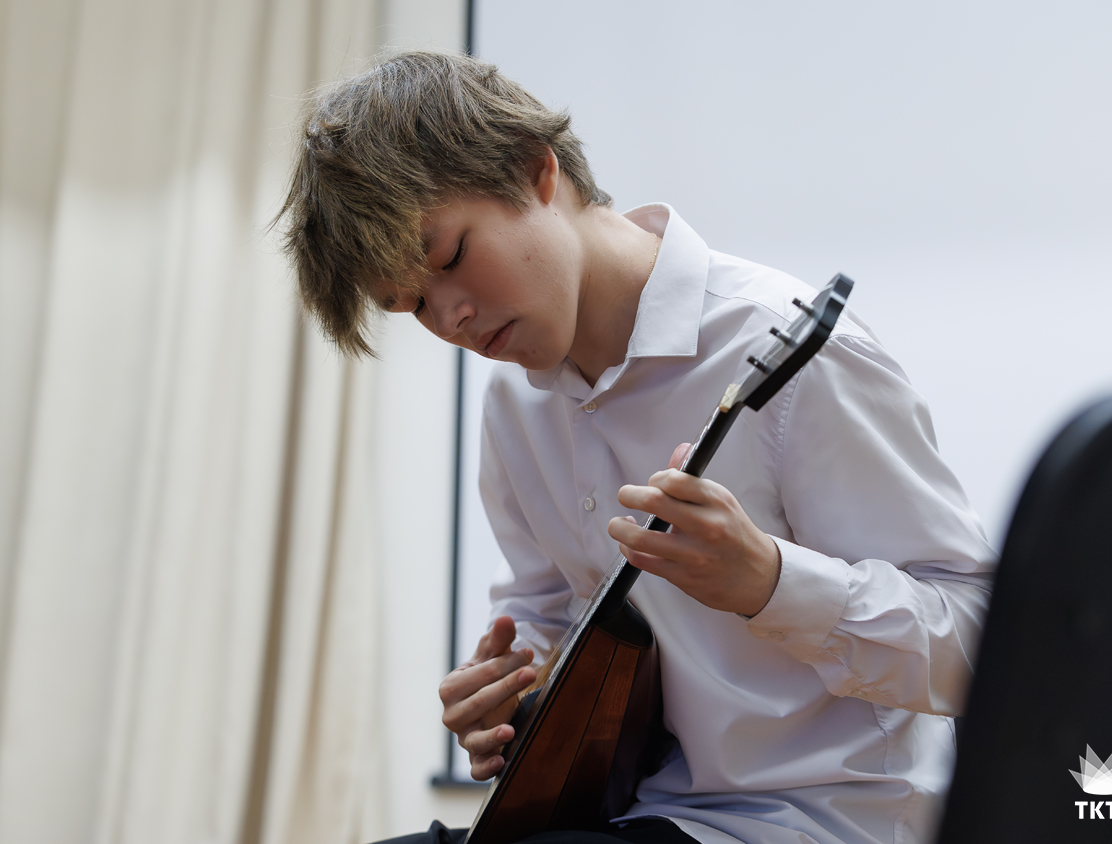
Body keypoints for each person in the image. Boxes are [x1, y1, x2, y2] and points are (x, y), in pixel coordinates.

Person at [276, 51, 995, 844]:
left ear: (535, 170)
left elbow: (981, 642)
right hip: (637, 812)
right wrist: (510, 694)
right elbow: (543, 610)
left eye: (448, 258)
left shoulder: (788, 352)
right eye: (412, 305)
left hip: (820, 822)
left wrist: (770, 582)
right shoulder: (516, 404)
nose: (450, 319)